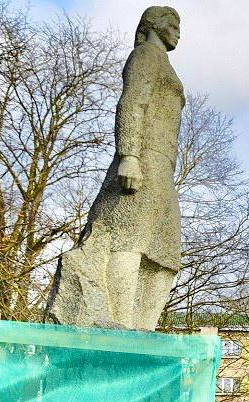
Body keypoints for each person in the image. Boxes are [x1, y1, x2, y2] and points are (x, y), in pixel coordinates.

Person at [47, 5, 185, 329]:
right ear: (154, 24)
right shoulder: (145, 56)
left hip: (163, 168)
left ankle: (142, 330)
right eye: (173, 24)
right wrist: (129, 156)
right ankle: (120, 327)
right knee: (129, 240)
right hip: (143, 159)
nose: (179, 31)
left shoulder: (163, 63)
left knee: (165, 255)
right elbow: (131, 102)